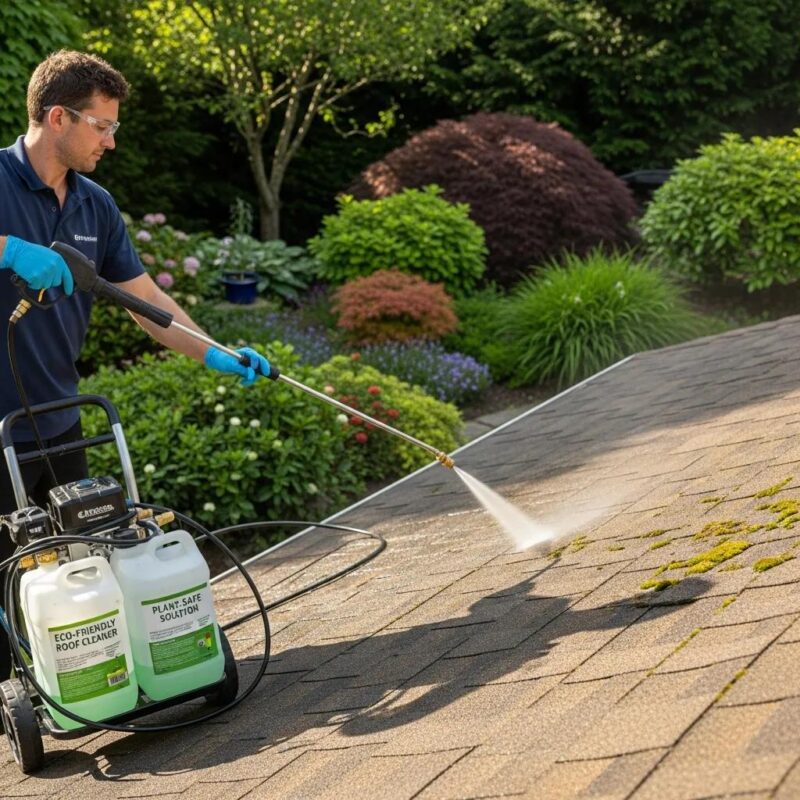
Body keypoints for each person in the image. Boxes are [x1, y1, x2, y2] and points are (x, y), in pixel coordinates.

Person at [0, 50, 271, 678]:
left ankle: (92, 683)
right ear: (59, 117)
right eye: (103, 126)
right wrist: (10, 248)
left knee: (78, 569)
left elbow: (144, 301)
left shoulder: (95, 205)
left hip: (59, 418)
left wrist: (217, 353)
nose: (112, 142)